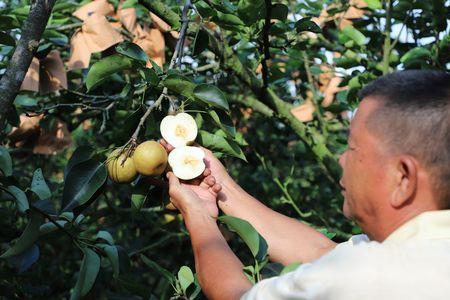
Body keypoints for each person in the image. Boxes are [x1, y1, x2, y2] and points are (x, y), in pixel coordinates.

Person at [161, 70, 450, 300]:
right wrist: (223, 188)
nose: (340, 159)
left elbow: (236, 296)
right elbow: (325, 255)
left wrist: (197, 214)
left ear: (402, 177)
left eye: (352, 149)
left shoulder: (369, 276)